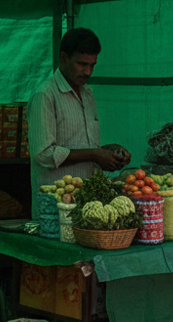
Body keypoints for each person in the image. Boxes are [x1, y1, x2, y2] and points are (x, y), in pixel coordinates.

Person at [28, 28, 130, 214]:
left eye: (92, 65)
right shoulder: (45, 95)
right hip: (56, 205)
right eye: (82, 64)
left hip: (89, 202)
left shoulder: (88, 93)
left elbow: (82, 144)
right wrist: (94, 154)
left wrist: (109, 153)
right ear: (64, 58)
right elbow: (43, 154)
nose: (88, 71)